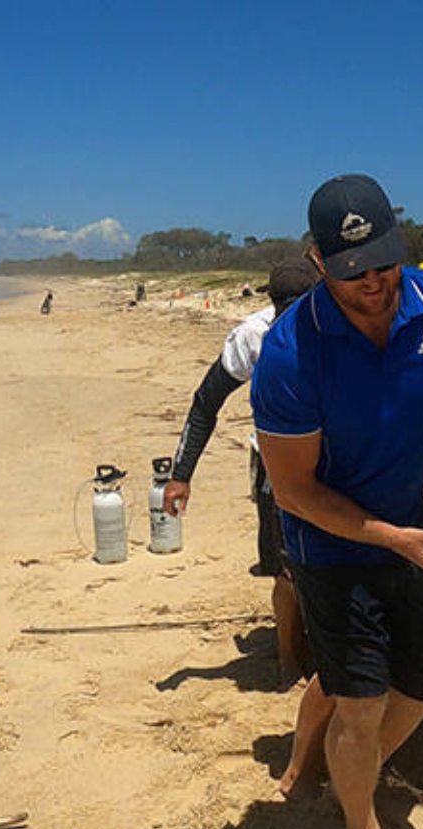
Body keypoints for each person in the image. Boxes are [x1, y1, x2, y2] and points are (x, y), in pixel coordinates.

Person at [251, 174, 423, 829]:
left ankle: (337, 768)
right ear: (319, 263)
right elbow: (293, 490)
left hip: (413, 526)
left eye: (384, 263)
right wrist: (393, 538)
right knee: (361, 702)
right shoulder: (291, 355)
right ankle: (362, 827)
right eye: (353, 273)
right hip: (329, 544)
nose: (374, 283)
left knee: (418, 688)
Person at [163, 257, 322, 684]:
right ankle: (288, 657)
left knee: (329, 560)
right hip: (276, 461)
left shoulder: (340, 323)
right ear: (273, 306)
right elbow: (205, 404)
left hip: (332, 454)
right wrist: (181, 474)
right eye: (285, 313)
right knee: (286, 568)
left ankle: (323, 646)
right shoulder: (254, 336)